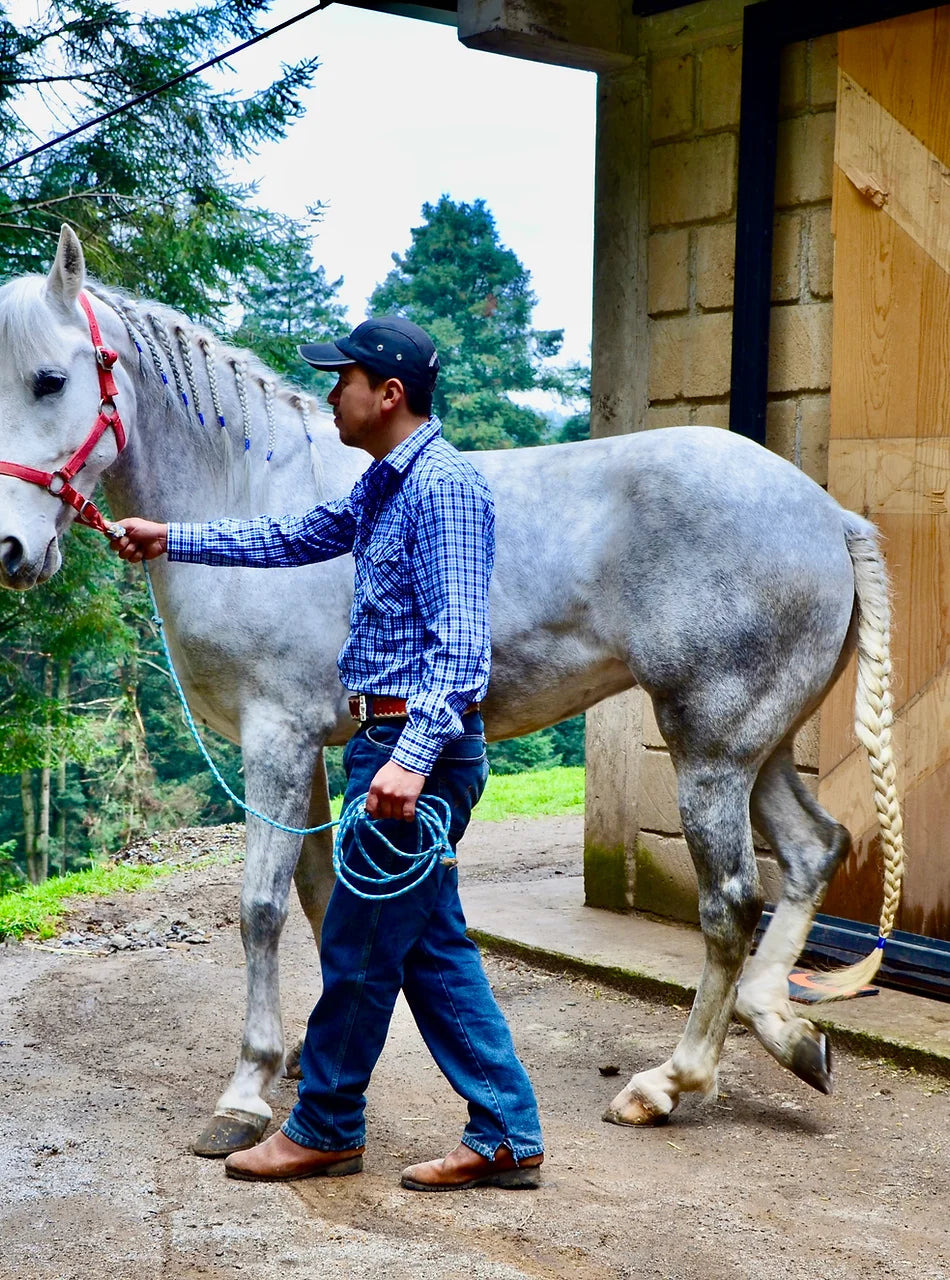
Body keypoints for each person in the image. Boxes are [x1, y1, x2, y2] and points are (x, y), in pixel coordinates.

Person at [111, 316, 544, 1191]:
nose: (328, 393)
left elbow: (464, 649)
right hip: (387, 745)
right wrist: (172, 538)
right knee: (431, 949)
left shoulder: (444, 490)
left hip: (410, 755)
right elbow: (292, 538)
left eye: (340, 379)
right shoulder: (384, 486)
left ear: (389, 395)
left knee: (354, 944)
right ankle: (506, 1133)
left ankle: (327, 1127)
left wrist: (410, 759)